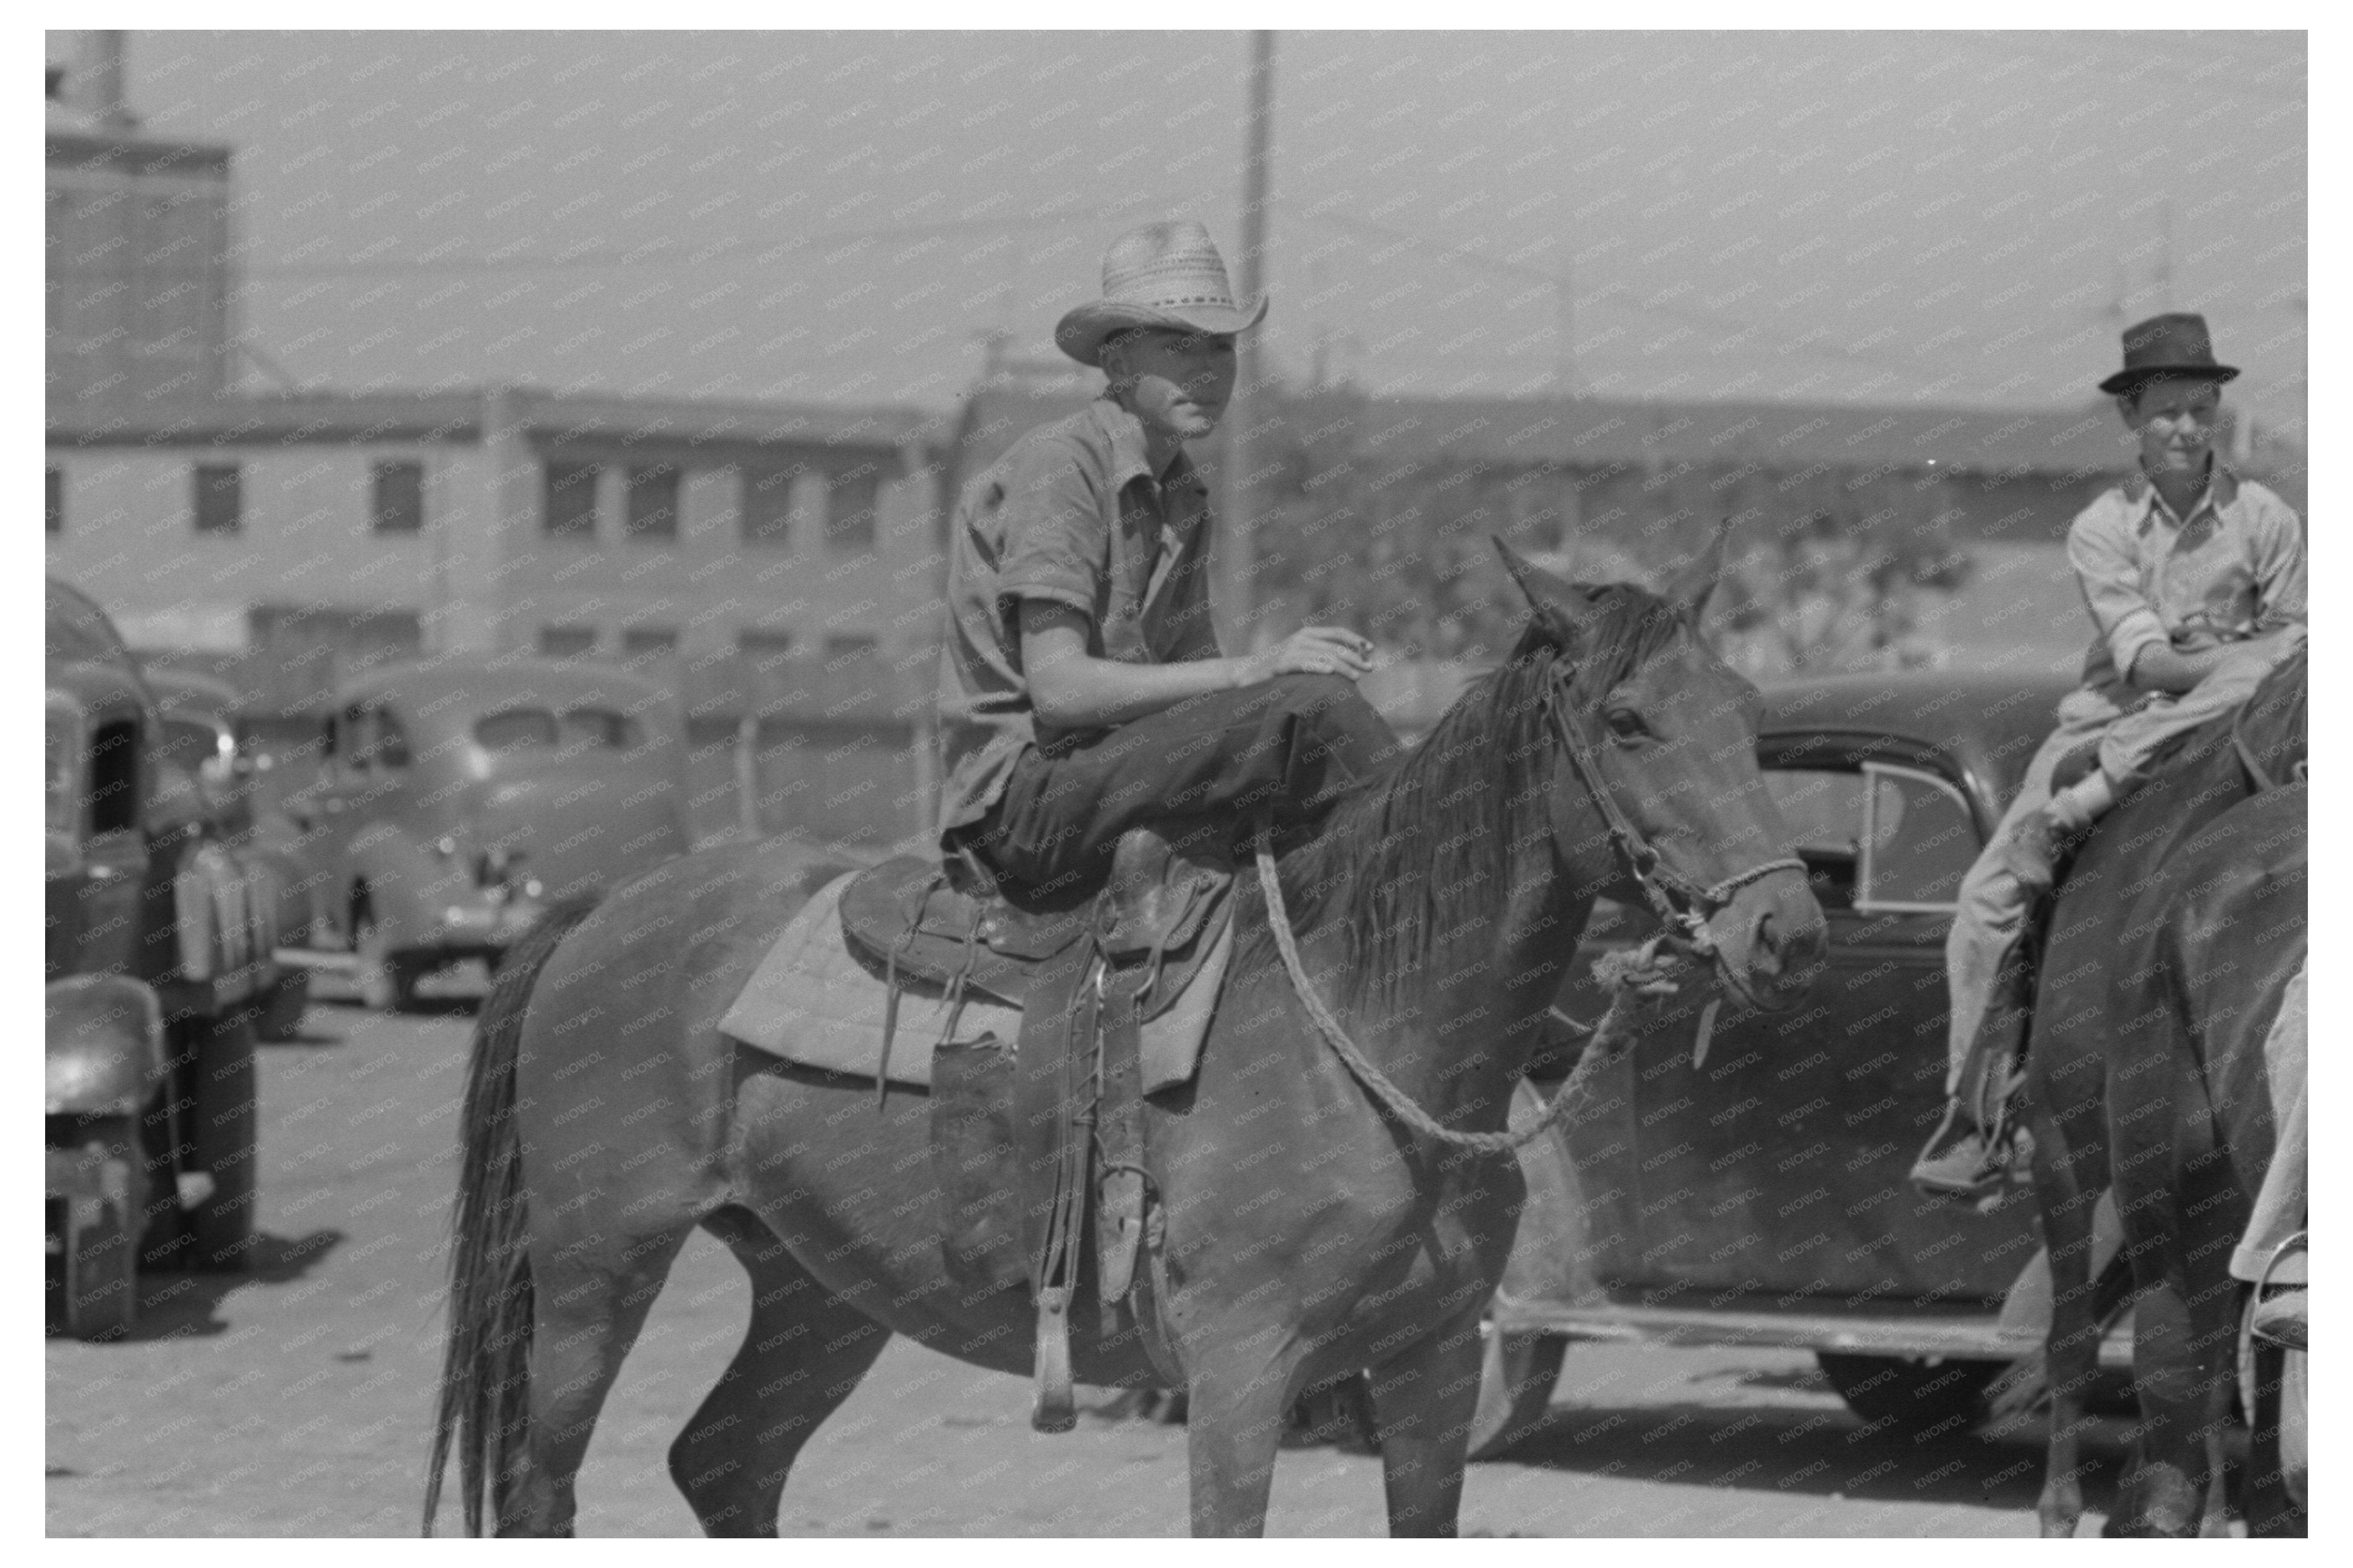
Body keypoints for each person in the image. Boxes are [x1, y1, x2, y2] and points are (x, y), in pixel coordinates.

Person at [1912, 313, 2306, 1202]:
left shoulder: (2267, 518)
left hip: (2233, 723)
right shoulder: (2101, 527)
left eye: (2201, 409)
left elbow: (2300, 644)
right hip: (2110, 720)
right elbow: (2147, 665)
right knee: (1982, 904)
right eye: (2166, 412)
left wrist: (2256, 667)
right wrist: (2246, 660)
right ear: (2130, 419)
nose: (2185, 429)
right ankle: (1979, 1119)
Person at [934, 219, 1400, 900]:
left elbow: (1196, 687)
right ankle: (1439, 869)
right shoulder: (1060, 468)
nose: (1208, 370)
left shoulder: (1180, 493)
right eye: (1178, 347)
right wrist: (1258, 669)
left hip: (1110, 773)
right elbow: (1061, 692)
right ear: (1118, 364)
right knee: (1309, 710)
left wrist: (1258, 685)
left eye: (1220, 347)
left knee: (1303, 742)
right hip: (1022, 806)